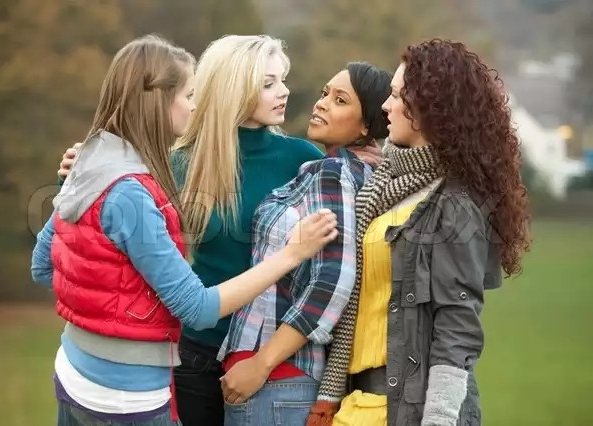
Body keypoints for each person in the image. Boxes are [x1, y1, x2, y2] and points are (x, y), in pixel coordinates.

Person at [56, 35, 381, 426]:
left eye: (283, 79)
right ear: (235, 88)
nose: (285, 92)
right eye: (268, 83)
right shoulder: (180, 162)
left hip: (266, 356)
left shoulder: (304, 160)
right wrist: (80, 175)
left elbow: (341, 256)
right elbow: (107, 224)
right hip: (194, 349)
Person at [308, 39, 532, 426]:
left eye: (397, 95)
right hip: (357, 402)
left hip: (408, 409)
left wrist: (440, 419)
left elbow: (457, 325)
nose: (385, 106)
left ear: (429, 109)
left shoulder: (455, 202)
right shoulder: (382, 184)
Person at [216, 62, 391, 426]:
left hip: (277, 381)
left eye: (340, 100)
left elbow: (334, 279)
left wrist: (260, 364)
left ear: (365, 126)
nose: (322, 103)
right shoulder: (351, 171)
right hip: (277, 382)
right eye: (325, 93)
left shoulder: (334, 173)